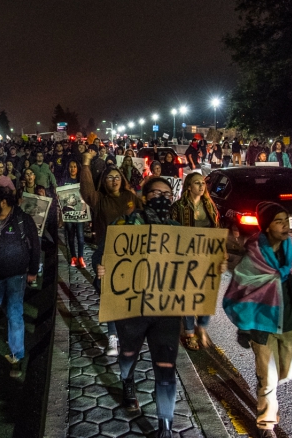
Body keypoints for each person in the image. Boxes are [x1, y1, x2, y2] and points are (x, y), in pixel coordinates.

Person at [96, 177, 210, 438]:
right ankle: (127, 380)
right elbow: (100, 255)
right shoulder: (123, 225)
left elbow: (195, 271)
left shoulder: (177, 229)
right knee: (127, 356)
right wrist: (101, 268)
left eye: (167, 194)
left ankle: (165, 427)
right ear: (144, 197)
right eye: (156, 192)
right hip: (131, 309)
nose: (162, 197)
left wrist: (208, 268)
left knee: (166, 367)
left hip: (165, 312)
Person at [223, 202, 292, 438]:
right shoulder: (255, 254)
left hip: (289, 323)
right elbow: (240, 289)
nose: (285, 225)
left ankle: (265, 386)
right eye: (279, 221)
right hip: (261, 325)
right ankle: (266, 424)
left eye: (287, 220)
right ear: (267, 227)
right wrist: (244, 327)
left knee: (287, 372)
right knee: (268, 379)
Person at [80, 150, 141, 357]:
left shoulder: (131, 198)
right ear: (103, 181)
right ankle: (113, 336)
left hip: (131, 256)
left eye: (117, 177)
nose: (114, 181)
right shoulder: (99, 200)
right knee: (109, 296)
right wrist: (86, 164)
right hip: (106, 255)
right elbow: (87, 192)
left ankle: (129, 331)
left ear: (121, 179)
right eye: (109, 177)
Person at [0, 187, 40, 377]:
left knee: (14, 313)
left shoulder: (23, 220)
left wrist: (32, 271)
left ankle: (17, 355)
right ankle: (14, 337)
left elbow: (35, 245)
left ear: (3, 202)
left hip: (17, 274)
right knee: (4, 306)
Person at [170, 173, 223, 351]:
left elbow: (217, 232)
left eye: (203, 183)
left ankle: (201, 326)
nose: (201, 186)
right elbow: (171, 233)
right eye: (196, 183)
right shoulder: (178, 207)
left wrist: (221, 255)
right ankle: (190, 332)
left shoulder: (210, 206)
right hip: (186, 258)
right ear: (188, 186)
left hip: (206, 258)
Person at [60, 160, 85, 269]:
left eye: (75, 166)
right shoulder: (64, 180)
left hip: (79, 212)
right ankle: (73, 257)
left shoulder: (81, 180)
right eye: (71, 166)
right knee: (70, 235)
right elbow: (60, 195)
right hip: (68, 212)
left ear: (78, 168)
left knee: (80, 236)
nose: (73, 169)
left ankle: (81, 257)